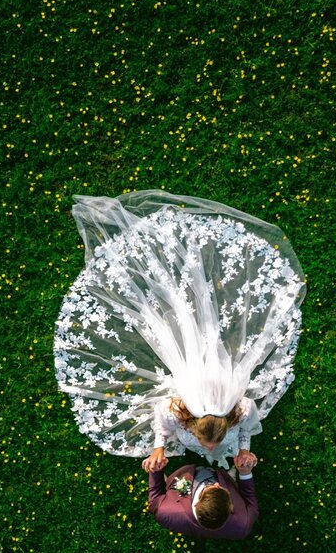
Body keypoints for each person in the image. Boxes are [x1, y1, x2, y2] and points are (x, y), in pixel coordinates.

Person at [54, 190, 305, 468]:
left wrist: (244, 448)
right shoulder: (174, 411)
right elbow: (162, 424)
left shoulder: (244, 410)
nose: (207, 448)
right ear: (192, 425)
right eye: (204, 443)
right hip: (204, 387)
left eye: (209, 444)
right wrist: (159, 447)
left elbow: (245, 430)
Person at [143, 450, 259, 540]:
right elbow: (249, 499)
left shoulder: (166, 513)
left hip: (185, 475)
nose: (217, 483)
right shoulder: (243, 524)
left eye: (210, 488)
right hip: (224, 476)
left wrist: (155, 471)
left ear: (197, 503)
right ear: (231, 507)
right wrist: (245, 474)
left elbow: (154, 501)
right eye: (221, 488)